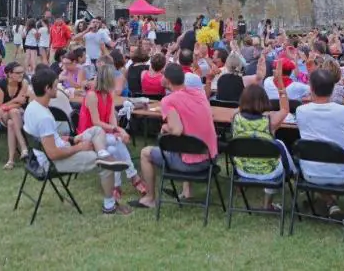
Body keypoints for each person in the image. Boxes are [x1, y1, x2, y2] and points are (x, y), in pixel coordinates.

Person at [24, 69, 132, 215]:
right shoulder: (44, 117)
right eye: (56, 86)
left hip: (52, 150)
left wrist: (72, 139)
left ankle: (102, 153)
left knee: (97, 130)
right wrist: (80, 147)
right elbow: (54, 153)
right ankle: (109, 205)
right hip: (53, 162)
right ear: (47, 89)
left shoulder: (33, 106)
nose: (58, 89)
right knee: (106, 167)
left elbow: (49, 139)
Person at [135, 63, 219, 208]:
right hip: (211, 159)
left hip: (191, 164)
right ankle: (188, 191)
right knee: (188, 142)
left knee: (145, 153)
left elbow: (177, 130)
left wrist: (165, 126)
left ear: (167, 80)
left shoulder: (168, 101)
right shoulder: (198, 93)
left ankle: (149, 198)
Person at [296, 68, 344, 220]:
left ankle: (330, 203)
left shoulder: (301, 111)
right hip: (342, 173)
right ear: (333, 89)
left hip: (310, 172)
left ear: (311, 88)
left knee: (319, 159)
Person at [77, 64, 147, 201]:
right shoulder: (92, 95)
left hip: (104, 134)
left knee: (114, 146)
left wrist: (116, 131)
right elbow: (96, 122)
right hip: (90, 134)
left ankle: (117, 186)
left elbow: (111, 117)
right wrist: (118, 130)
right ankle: (134, 177)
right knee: (116, 142)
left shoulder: (108, 94)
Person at [230, 61, 293, 211]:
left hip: (242, 169)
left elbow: (241, 108)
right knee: (279, 146)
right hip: (269, 171)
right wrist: (280, 86)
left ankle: (242, 190)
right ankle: (268, 204)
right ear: (265, 100)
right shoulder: (269, 121)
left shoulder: (235, 117)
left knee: (274, 148)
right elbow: (285, 109)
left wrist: (248, 97)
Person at [0, 62, 32, 170]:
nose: (21, 75)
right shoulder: (1, 85)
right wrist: (14, 101)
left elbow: (21, 103)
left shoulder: (23, 83)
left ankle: (10, 160)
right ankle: (23, 147)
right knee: (14, 112)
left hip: (18, 114)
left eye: (22, 72)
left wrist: (5, 107)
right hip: (1, 116)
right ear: (9, 74)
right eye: (18, 73)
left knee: (12, 121)